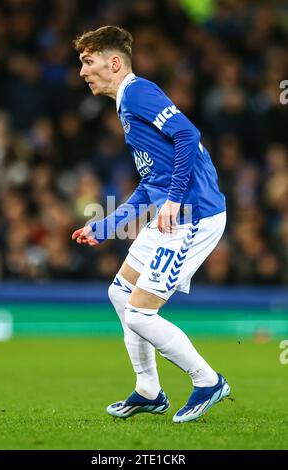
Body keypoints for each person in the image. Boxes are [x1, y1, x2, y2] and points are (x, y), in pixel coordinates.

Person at [72, 26, 231, 423]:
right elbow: (151, 184)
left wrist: (176, 199)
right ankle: (148, 391)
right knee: (120, 295)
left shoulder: (139, 92)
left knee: (141, 313)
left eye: (87, 62)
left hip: (193, 214)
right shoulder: (126, 104)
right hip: (173, 214)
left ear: (113, 63)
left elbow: (187, 134)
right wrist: (107, 225)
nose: (82, 72)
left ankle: (208, 381)